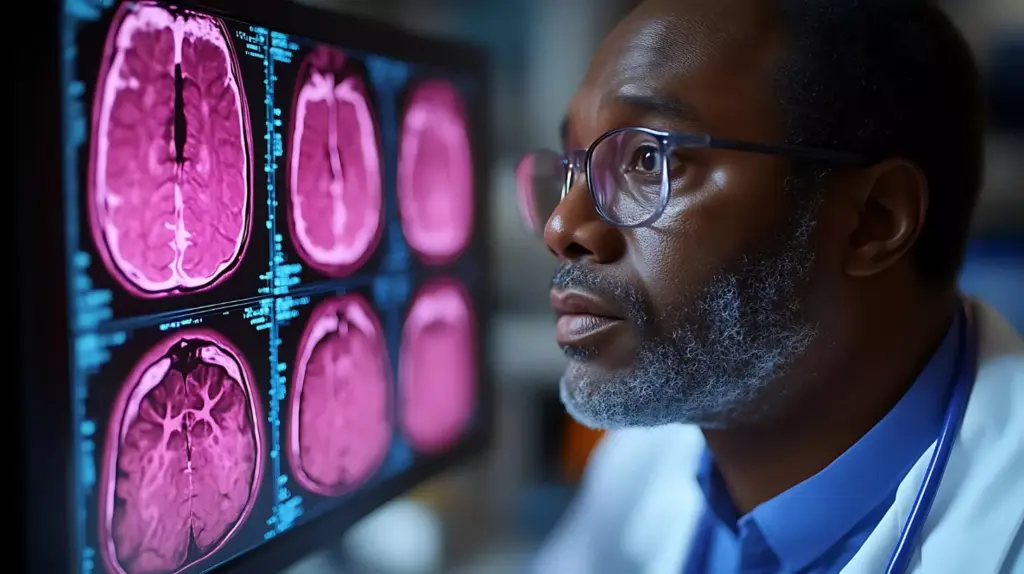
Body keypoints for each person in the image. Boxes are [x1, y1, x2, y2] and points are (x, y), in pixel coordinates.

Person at [514, 0, 1024, 572]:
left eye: (649, 160)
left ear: (873, 220)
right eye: (573, 165)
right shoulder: (649, 451)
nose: (561, 227)